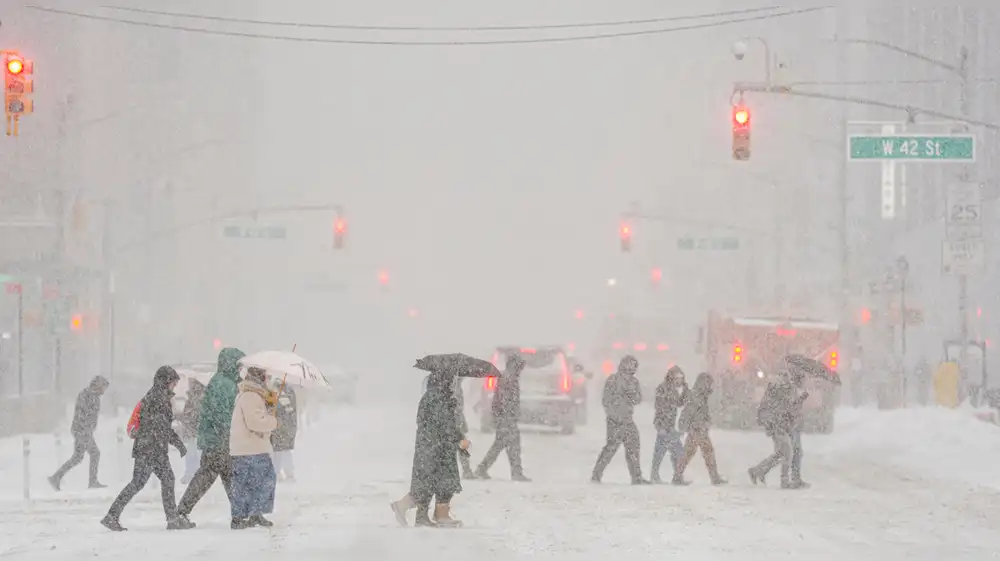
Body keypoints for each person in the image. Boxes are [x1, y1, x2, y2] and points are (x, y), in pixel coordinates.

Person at [101, 366, 193, 531]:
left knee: (156, 480)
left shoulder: (156, 396)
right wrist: (178, 443)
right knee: (145, 482)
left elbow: (160, 426)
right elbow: (161, 427)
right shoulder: (159, 398)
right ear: (165, 381)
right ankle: (113, 515)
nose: (174, 386)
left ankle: (113, 515)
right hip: (152, 448)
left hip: (149, 446)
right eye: (173, 382)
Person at [392, 369, 468, 528]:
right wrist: (458, 438)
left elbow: (442, 423)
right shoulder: (437, 398)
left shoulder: (434, 397)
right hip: (436, 447)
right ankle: (436, 514)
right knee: (438, 481)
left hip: (431, 446)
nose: (453, 384)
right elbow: (445, 425)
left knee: (428, 481)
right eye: (451, 381)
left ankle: (422, 515)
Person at [176, 347, 245, 522]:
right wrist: (231, 432)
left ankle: (239, 515)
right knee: (209, 476)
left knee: (225, 476)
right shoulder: (223, 384)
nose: (240, 369)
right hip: (218, 440)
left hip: (217, 439)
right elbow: (222, 414)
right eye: (238, 365)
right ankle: (181, 511)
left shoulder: (225, 381)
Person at [229, 367, 279, 529]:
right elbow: (255, 423)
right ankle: (249, 514)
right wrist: (273, 421)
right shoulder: (251, 396)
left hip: (245, 448)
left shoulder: (248, 394)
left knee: (245, 484)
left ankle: (248, 515)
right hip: (252, 448)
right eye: (265, 376)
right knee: (264, 480)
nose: (267, 379)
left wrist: (269, 407)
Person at [749, 368, 809, 489]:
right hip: (778, 424)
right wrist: (800, 400)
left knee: (782, 453)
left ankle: (758, 471)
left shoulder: (781, 387)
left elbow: (779, 406)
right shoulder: (786, 388)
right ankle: (783, 480)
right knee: (786, 451)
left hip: (778, 424)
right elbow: (789, 408)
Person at [591, 355, 648, 484]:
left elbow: (638, 399)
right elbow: (606, 399)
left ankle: (636, 476)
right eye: (629, 365)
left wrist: (631, 395)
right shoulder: (613, 380)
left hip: (627, 419)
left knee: (633, 447)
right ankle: (596, 474)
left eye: (633, 365)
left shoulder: (634, 382)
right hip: (615, 420)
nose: (631, 368)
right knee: (611, 448)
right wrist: (613, 414)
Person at [475, 354, 529, 482]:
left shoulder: (509, 377)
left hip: (505, 418)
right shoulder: (508, 378)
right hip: (506, 418)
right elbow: (503, 401)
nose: (521, 370)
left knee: (501, 444)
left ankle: (483, 469)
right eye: (520, 367)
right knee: (511, 444)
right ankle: (516, 472)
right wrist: (507, 417)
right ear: (514, 366)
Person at [49, 376, 110, 491]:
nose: (104, 390)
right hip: (82, 431)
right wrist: (86, 429)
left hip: (82, 430)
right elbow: (82, 413)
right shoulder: (87, 395)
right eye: (103, 387)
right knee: (95, 453)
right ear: (98, 385)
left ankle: (56, 477)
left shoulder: (92, 396)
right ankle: (92, 481)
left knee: (77, 457)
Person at [674, 373, 726, 485]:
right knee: (698, 453)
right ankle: (714, 478)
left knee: (696, 453)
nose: (710, 386)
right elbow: (688, 412)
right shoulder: (696, 396)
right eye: (708, 383)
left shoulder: (701, 396)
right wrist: (683, 426)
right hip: (697, 429)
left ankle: (678, 476)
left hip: (699, 429)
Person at [650, 366, 689, 484]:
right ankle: (674, 477)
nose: (680, 381)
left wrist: (685, 390)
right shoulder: (663, 388)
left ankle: (675, 477)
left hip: (669, 426)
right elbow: (660, 407)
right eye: (678, 378)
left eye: (681, 378)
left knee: (670, 452)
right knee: (674, 452)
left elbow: (679, 403)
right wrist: (661, 426)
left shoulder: (672, 389)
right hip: (664, 426)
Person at [178, 379, 206, 485]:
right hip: (193, 432)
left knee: (194, 454)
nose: (188, 385)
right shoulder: (194, 397)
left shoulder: (197, 398)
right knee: (192, 454)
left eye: (190, 383)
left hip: (195, 432)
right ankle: (192, 474)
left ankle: (193, 475)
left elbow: (194, 414)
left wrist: (186, 420)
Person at [271, 385, 298, 482]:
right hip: (288, 425)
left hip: (282, 426)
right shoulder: (289, 390)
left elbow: (279, 408)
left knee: (278, 450)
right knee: (284, 450)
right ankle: (288, 473)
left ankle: (279, 473)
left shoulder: (278, 391)